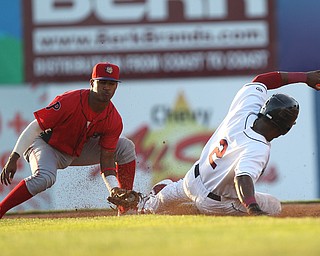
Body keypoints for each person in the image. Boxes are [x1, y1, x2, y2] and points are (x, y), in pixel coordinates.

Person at [139, 70, 320, 216]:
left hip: (190, 181)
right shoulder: (257, 147)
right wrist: (252, 208)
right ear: (285, 129)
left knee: (149, 208)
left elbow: (261, 80)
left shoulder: (246, 109)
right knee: (273, 205)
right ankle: (195, 210)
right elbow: (243, 178)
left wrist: (305, 77)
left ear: (264, 109)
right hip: (216, 204)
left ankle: (151, 201)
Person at [0, 62, 137, 218]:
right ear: (92, 83)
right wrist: (14, 156)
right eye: (102, 82)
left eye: (111, 83)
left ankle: (125, 208)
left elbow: (107, 159)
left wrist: (113, 189)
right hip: (46, 145)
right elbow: (35, 127)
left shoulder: (113, 119)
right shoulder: (69, 101)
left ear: (116, 87)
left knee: (125, 146)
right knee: (45, 178)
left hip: (75, 149)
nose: (107, 87)